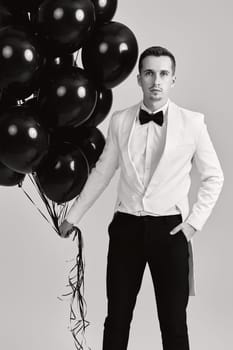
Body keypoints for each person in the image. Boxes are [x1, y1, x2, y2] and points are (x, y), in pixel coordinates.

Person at [59, 46, 224, 350]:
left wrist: (191, 226)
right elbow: (102, 173)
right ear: (139, 79)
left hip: (171, 231)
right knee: (117, 319)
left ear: (173, 79)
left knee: (174, 323)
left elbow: (215, 177)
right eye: (149, 73)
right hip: (126, 229)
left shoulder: (193, 123)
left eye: (163, 74)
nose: (156, 81)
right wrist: (74, 214)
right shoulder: (121, 121)